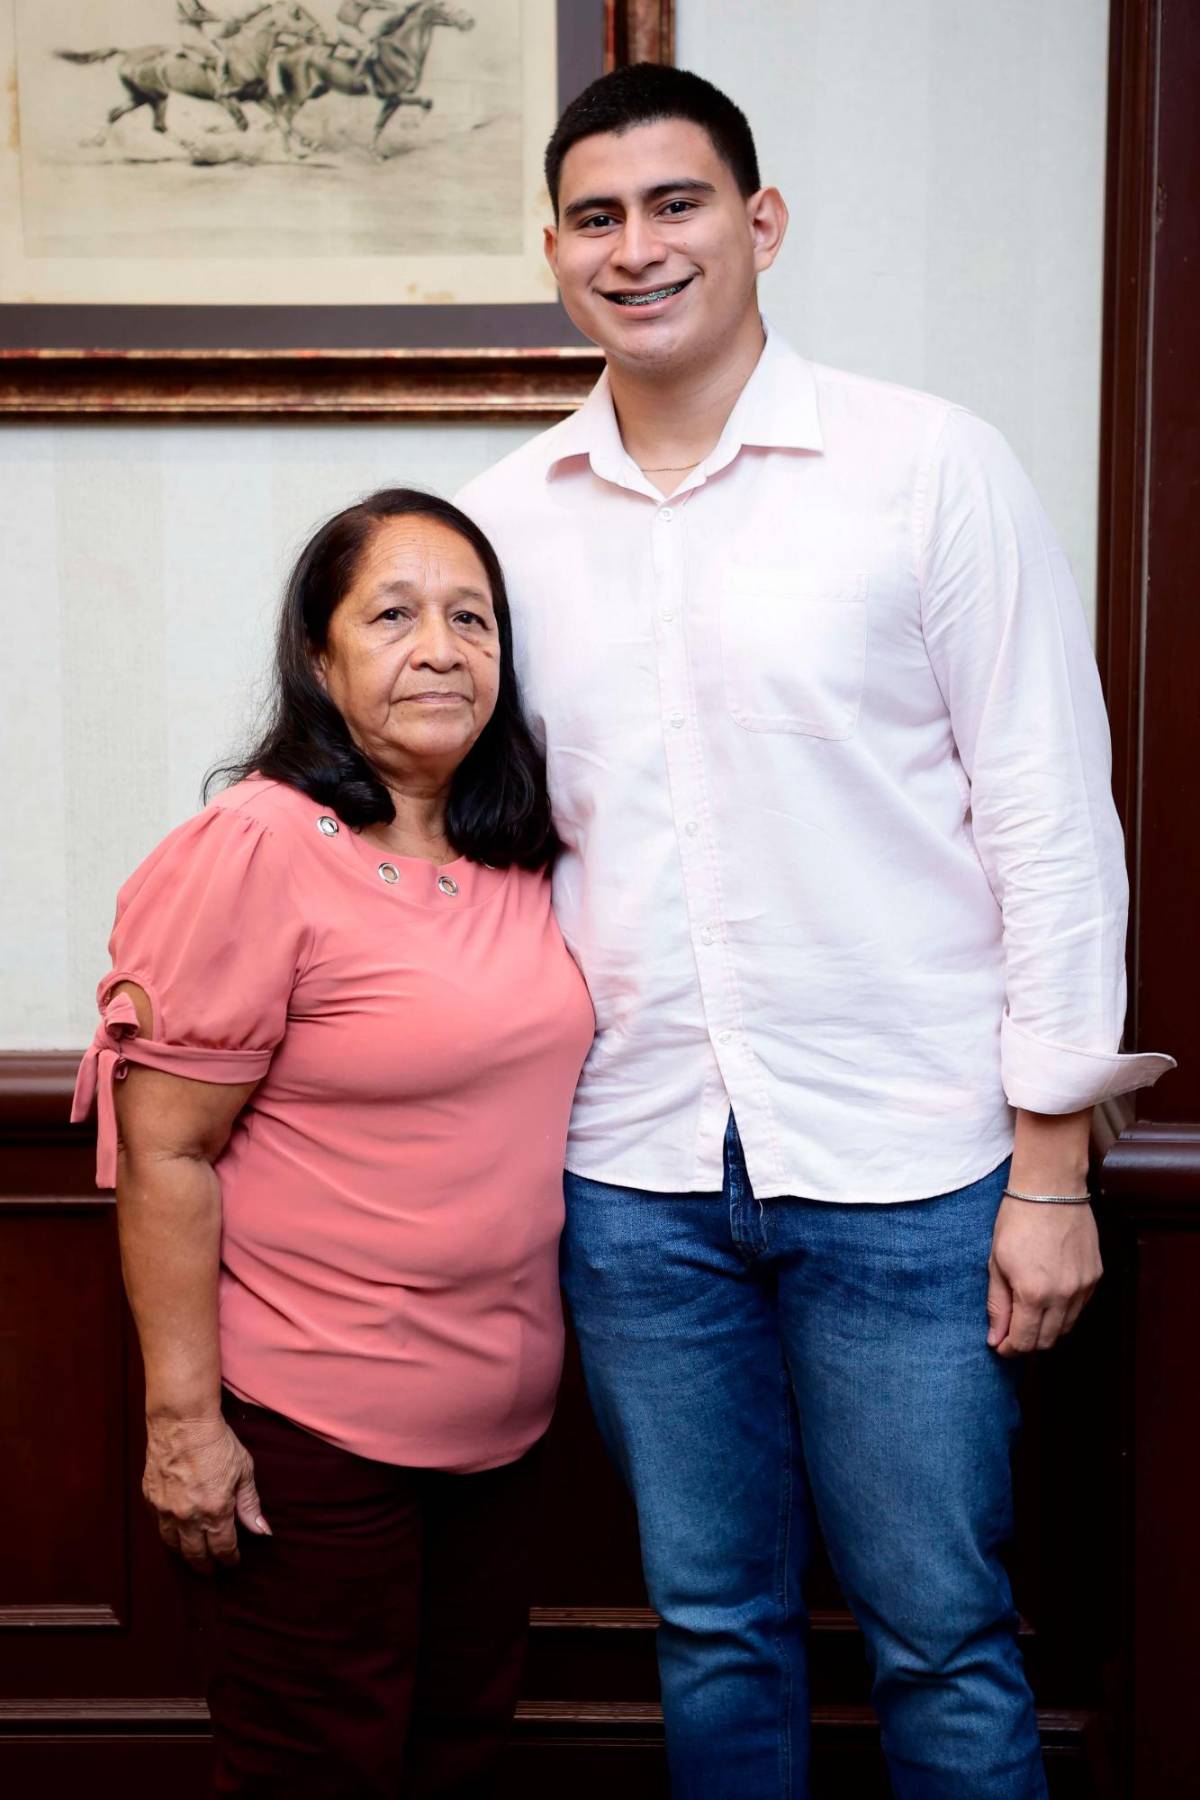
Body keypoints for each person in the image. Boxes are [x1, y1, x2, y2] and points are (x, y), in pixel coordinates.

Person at [456, 62, 1175, 1800]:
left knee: (941, 1628)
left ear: (761, 223)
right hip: (629, 1173)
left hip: (916, 1165)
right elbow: (457, 826)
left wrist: (1055, 1165)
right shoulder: (500, 517)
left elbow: (1048, 817)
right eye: (599, 219)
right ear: (555, 251)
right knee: (712, 1627)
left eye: (679, 205)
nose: (639, 248)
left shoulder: (927, 465)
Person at [71, 489, 594, 1796]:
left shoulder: (519, 855)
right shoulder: (252, 848)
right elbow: (170, 1152)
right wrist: (184, 1423)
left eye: (472, 619)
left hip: (505, 1431)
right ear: (320, 657)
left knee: (456, 1757)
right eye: (393, 616)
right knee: (323, 1772)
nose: (440, 648)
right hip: (310, 1435)